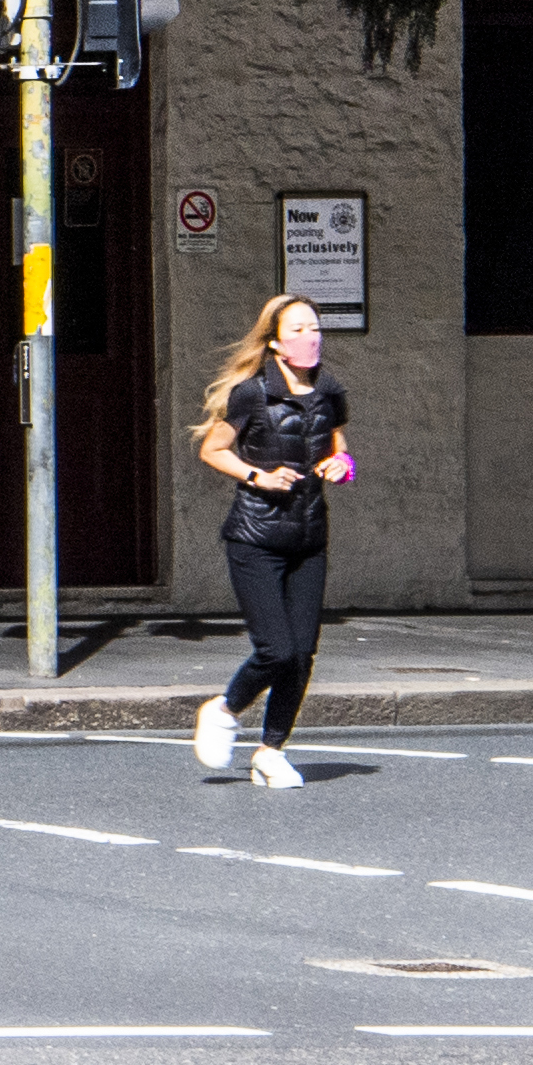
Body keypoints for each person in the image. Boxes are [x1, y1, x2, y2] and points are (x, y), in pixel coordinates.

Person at [192, 295, 354, 790]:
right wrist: (258, 476)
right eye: (300, 329)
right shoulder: (251, 393)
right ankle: (224, 708)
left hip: (308, 538)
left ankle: (271, 751)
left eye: (316, 327)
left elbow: (338, 445)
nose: (313, 336)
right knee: (277, 649)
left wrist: (341, 465)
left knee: (302, 653)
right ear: (277, 342)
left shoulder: (329, 390)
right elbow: (213, 449)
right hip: (255, 538)